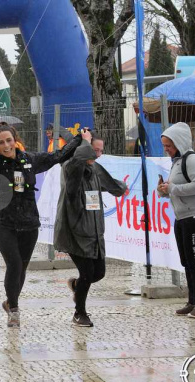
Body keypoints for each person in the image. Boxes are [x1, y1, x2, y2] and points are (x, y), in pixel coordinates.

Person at [0, 108, 82, 328]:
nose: (6, 146)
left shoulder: (30, 159)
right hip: (3, 222)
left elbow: (57, 156)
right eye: (0, 143)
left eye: (8, 140)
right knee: (14, 264)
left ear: (15, 140)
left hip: (29, 223)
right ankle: (15, 310)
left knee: (22, 269)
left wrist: (78, 138)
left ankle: (10, 301)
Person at [54, 128, 127, 327]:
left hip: (94, 231)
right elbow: (77, 164)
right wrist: (83, 142)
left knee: (99, 273)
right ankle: (80, 313)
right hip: (74, 230)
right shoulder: (71, 167)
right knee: (87, 272)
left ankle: (77, 286)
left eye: (100, 151)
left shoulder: (94, 168)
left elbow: (109, 182)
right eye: (94, 150)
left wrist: (122, 188)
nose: (98, 155)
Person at [157, 122, 195, 319]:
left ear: (179, 142)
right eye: (164, 146)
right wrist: (164, 190)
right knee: (186, 259)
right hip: (182, 215)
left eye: (169, 146)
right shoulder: (177, 161)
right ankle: (192, 300)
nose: (166, 149)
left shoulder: (192, 159)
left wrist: (172, 189)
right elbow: (176, 188)